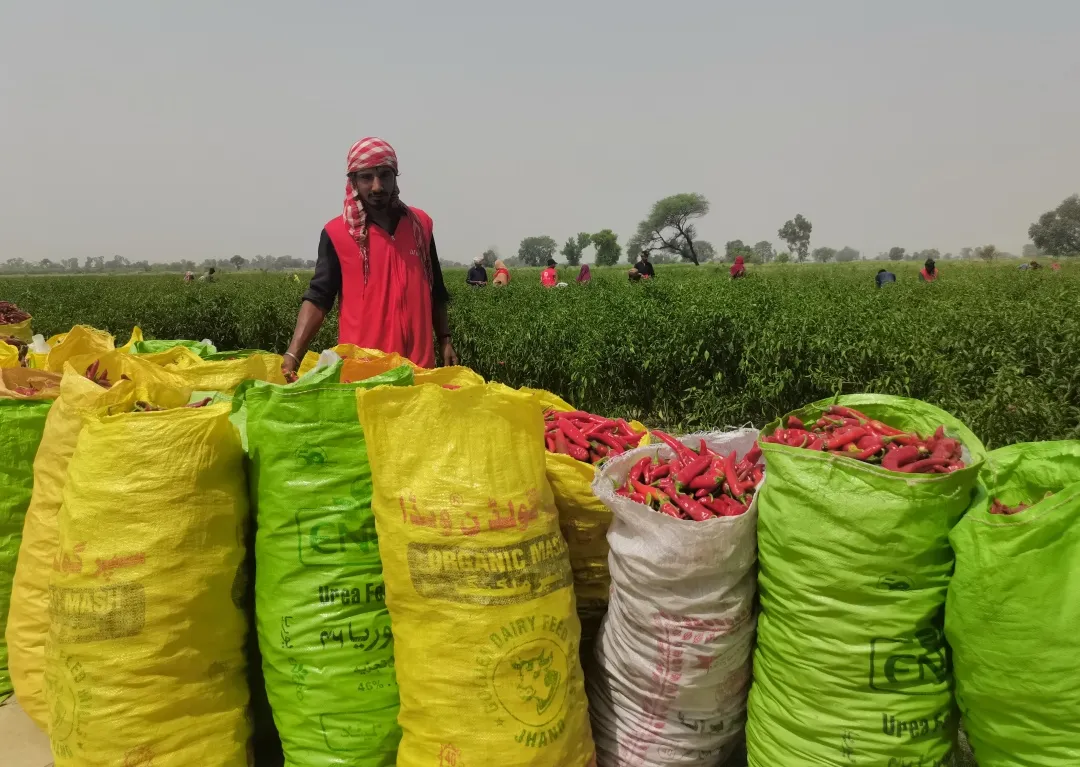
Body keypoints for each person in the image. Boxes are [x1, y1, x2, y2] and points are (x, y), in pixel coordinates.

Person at [281, 136, 457, 379]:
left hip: (418, 368)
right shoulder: (337, 233)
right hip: (363, 371)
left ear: (395, 177)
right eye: (366, 177)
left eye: (385, 175)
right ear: (353, 181)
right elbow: (319, 298)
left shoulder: (420, 226)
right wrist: (293, 355)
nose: (377, 186)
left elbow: (436, 289)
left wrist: (445, 339)